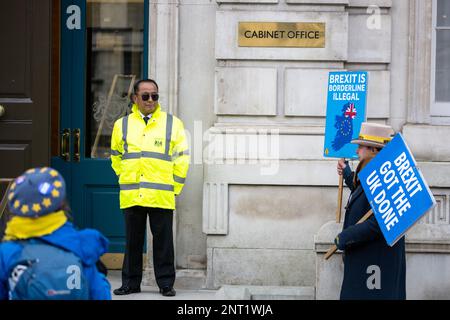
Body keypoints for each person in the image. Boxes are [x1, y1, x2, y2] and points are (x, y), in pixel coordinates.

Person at [110, 79, 189, 296]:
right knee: (133, 241)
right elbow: (116, 156)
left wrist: (175, 187)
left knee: (163, 242)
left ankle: (165, 284)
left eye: (154, 95)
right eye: (145, 96)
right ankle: (130, 283)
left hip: (161, 193)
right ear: (135, 98)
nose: (150, 100)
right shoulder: (122, 125)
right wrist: (123, 176)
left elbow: (182, 158)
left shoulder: (173, 124)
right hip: (132, 192)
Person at [0, 167, 111, 300]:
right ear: (62, 204)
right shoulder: (82, 245)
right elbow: (101, 294)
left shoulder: (7, 252)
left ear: (15, 208)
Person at [334, 122, 406, 300]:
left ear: (373, 150)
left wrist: (346, 236)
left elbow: (380, 222)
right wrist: (348, 174)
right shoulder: (376, 172)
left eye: (360, 146)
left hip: (375, 264)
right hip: (367, 262)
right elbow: (364, 195)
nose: (357, 151)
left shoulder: (387, 178)